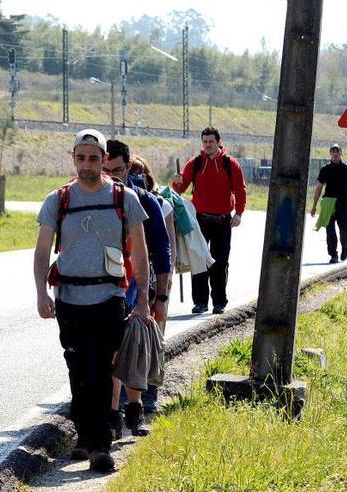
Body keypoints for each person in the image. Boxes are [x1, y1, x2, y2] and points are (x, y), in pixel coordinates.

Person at [34, 129, 150, 472]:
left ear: (104, 160)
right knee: (78, 371)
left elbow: (140, 251)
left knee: (101, 370)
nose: (87, 165)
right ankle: (84, 437)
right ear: (73, 158)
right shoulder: (58, 200)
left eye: (94, 158)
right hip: (69, 299)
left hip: (109, 296)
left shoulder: (124, 198)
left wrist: (143, 298)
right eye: (81, 158)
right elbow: (42, 251)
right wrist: (41, 292)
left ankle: (100, 447)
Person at [103, 141, 172, 435]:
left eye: (116, 170)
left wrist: (161, 298)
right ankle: (113, 416)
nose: (110, 176)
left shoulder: (145, 201)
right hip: (105, 289)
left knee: (134, 351)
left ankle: (136, 409)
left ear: (129, 166)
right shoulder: (92, 197)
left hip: (139, 289)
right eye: (105, 170)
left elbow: (162, 251)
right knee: (110, 352)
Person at [172, 127, 247, 315]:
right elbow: (180, 187)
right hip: (198, 220)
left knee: (220, 263)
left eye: (211, 141)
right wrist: (177, 181)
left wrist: (238, 213)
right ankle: (200, 303)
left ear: (218, 142)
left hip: (223, 221)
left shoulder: (230, 164)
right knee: (198, 261)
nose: (207, 145)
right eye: (205, 141)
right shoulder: (195, 163)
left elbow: (240, 190)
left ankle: (219, 302)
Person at [310, 144, 347, 264]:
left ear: (341, 153)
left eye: (337, 151)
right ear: (330, 153)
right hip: (329, 203)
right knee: (330, 230)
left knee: (345, 231)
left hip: (344, 203)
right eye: (333, 151)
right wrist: (314, 205)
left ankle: (345, 248)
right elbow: (319, 188)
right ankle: (333, 255)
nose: (335, 154)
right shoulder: (325, 169)